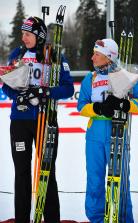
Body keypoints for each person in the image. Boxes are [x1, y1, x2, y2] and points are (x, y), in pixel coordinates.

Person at [2, 16, 74, 223]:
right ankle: (22, 218)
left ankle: (51, 218)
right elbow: (6, 84)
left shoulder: (54, 55)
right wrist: (19, 95)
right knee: (21, 172)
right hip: (20, 121)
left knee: (47, 172)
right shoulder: (17, 54)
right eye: (22, 34)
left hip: (46, 120)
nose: (23, 38)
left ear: (39, 35)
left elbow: (68, 88)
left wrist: (45, 92)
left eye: (27, 34)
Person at [77, 38, 138, 223]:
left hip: (117, 133)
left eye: (97, 54)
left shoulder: (125, 75)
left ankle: (124, 219)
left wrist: (125, 104)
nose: (92, 57)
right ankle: (97, 218)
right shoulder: (89, 78)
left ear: (109, 57)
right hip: (94, 136)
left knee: (121, 180)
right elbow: (81, 106)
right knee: (95, 180)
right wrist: (97, 109)